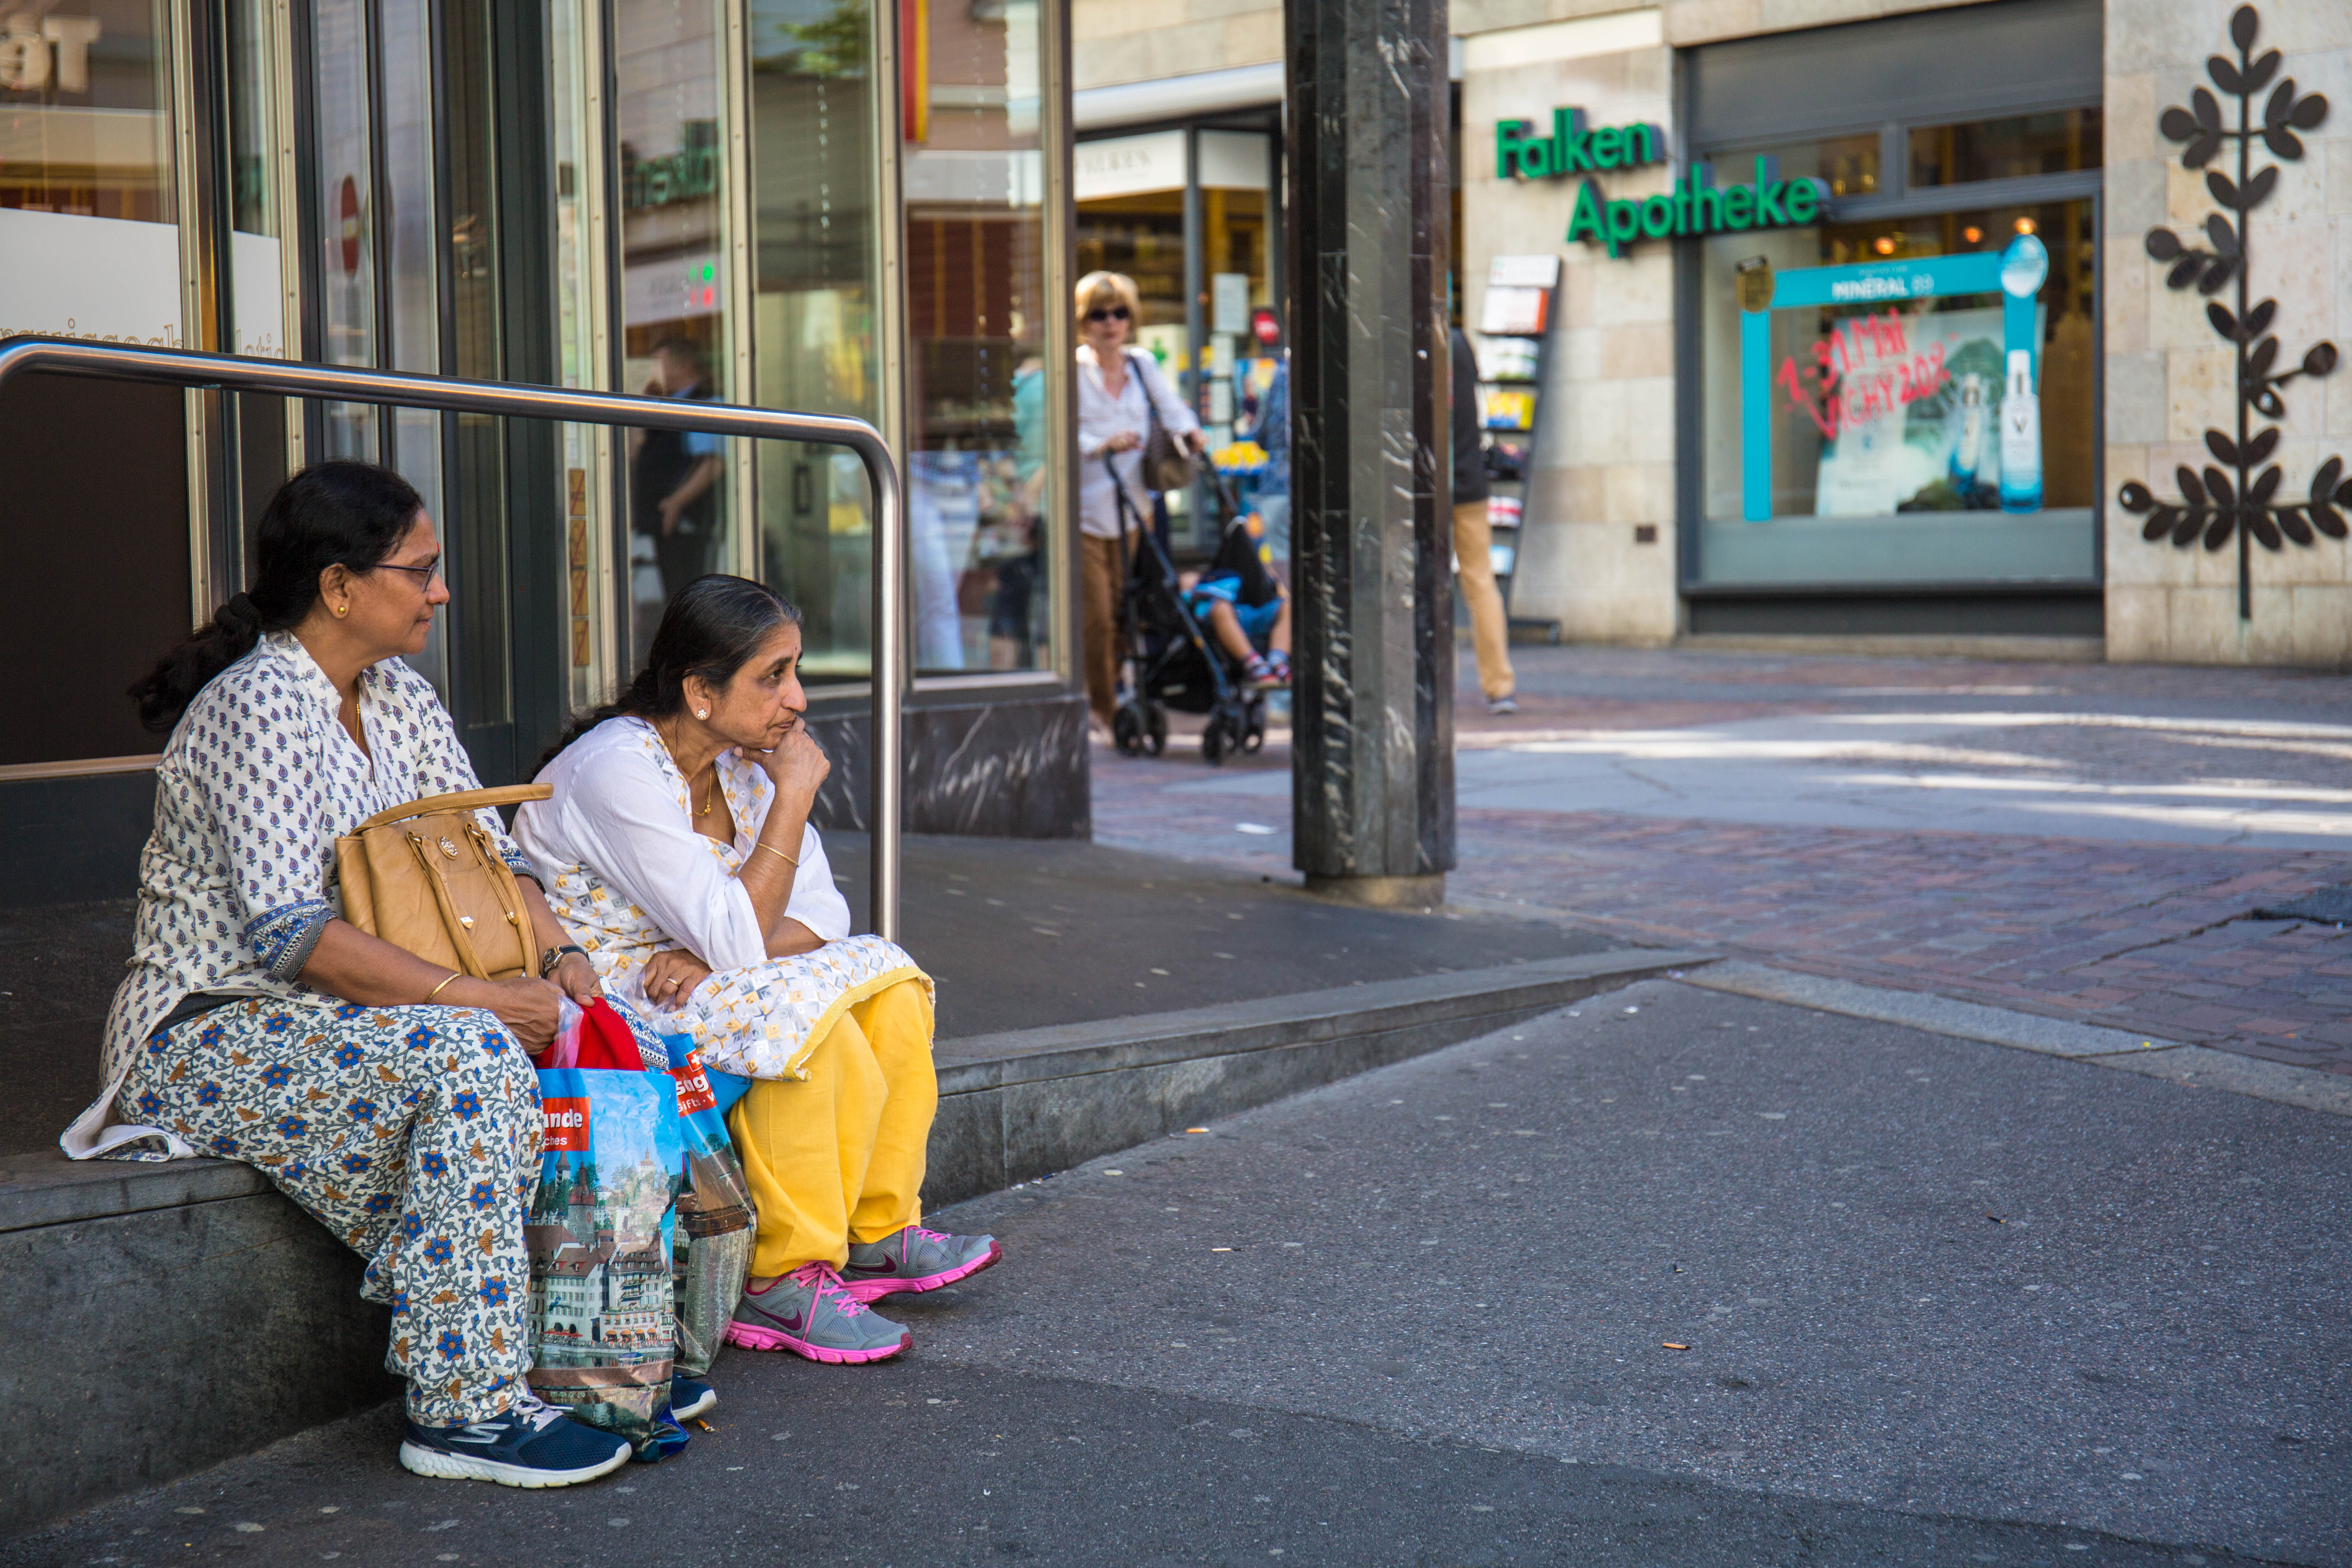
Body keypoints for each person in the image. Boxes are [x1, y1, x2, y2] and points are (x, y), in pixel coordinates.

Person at [68, 461, 638, 1488]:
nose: (441, 590)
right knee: (471, 1056)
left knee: (570, 1042)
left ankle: (586, 1351)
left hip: (341, 1026)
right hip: (205, 1029)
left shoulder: (399, 696)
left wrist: (562, 962)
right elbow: (292, 935)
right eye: (421, 569)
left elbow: (493, 859)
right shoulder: (256, 707)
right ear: (340, 586)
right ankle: (462, 1411)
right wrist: (480, 999)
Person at [517, 575, 998, 1367]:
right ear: (701, 692)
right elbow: (749, 936)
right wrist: (796, 798)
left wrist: (716, 949)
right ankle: (782, 1274)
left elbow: (824, 917)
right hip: (616, 1007)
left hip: (706, 980)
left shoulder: (741, 764)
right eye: (772, 676)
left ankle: (877, 1229)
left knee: (893, 987)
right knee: (815, 1018)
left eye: (795, 670)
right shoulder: (618, 768)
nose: (797, 699)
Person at [1074, 270, 1203, 735]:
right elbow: (1063, 431)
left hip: (1135, 509)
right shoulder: (1074, 371)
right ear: (1084, 321)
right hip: (1086, 513)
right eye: (1099, 315)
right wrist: (1101, 443)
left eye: (1120, 313)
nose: (1111, 324)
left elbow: (1172, 409)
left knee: (1129, 611)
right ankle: (1105, 708)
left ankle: (1115, 692)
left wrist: (1191, 433)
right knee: (1098, 614)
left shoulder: (1143, 365)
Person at [1452, 325, 1517, 715]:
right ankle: (1500, 686)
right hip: (1469, 479)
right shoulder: (1459, 343)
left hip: (1423, 484)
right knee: (1480, 581)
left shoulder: (1408, 336)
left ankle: (1430, 681)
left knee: (1420, 585)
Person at [633, 337, 724, 606]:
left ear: (683, 367)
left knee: (690, 600)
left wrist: (676, 504)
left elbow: (711, 465)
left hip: (687, 523)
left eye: (659, 365)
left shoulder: (705, 402)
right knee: (674, 598)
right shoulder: (665, 402)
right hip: (663, 520)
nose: (654, 372)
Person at [1185, 568, 1291, 688]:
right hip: (1218, 615)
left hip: (1250, 611)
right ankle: (1256, 666)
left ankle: (1278, 661)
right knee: (1222, 607)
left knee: (1289, 606)